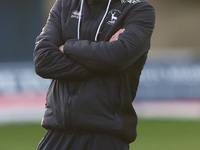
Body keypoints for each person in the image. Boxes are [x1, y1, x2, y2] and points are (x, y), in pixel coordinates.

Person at [34, 0, 155, 149]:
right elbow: (43, 61)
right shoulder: (65, 4)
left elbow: (118, 56)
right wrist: (103, 61)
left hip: (106, 134)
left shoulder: (138, 8)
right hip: (57, 133)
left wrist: (67, 47)